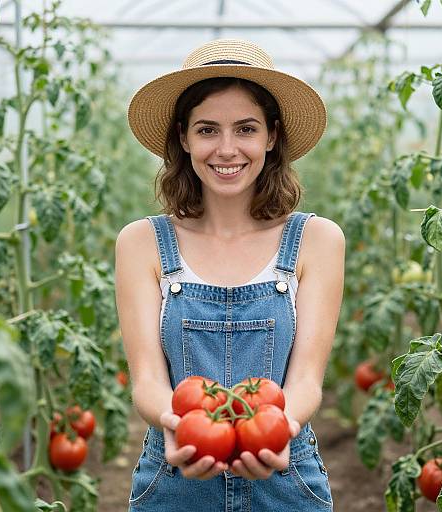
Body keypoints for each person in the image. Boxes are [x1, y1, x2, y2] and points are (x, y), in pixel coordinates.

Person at [115, 38, 345, 512]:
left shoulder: (317, 240)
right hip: (174, 476)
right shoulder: (141, 243)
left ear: (271, 136)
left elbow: (306, 382)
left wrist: (280, 427)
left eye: (245, 128)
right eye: (207, 130)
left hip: (285, 476)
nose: (226, 149)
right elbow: (147, 380)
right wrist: (175, 424)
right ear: (183, 138)